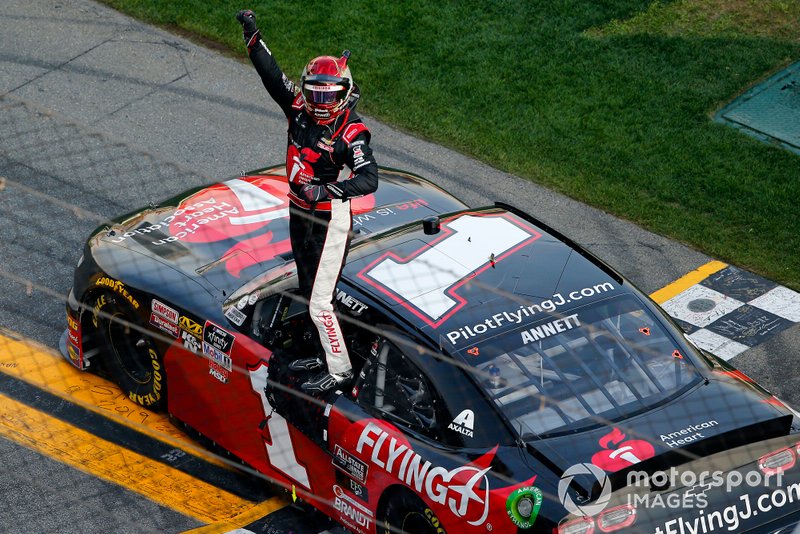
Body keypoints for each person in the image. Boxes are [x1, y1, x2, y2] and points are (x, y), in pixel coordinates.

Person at [236, 10, 379, 393]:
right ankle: (323, 352)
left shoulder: (352, 132)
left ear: (344, 93)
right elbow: (270, 74)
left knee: (319, 303)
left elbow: (369, 179)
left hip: (330, 220)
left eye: (327, 95)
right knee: (308, 289)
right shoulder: (297, 107)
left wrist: (326, 191)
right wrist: (253, 34)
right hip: (298, 212)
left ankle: (340, 371)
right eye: (314, 91)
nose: (317, 101)